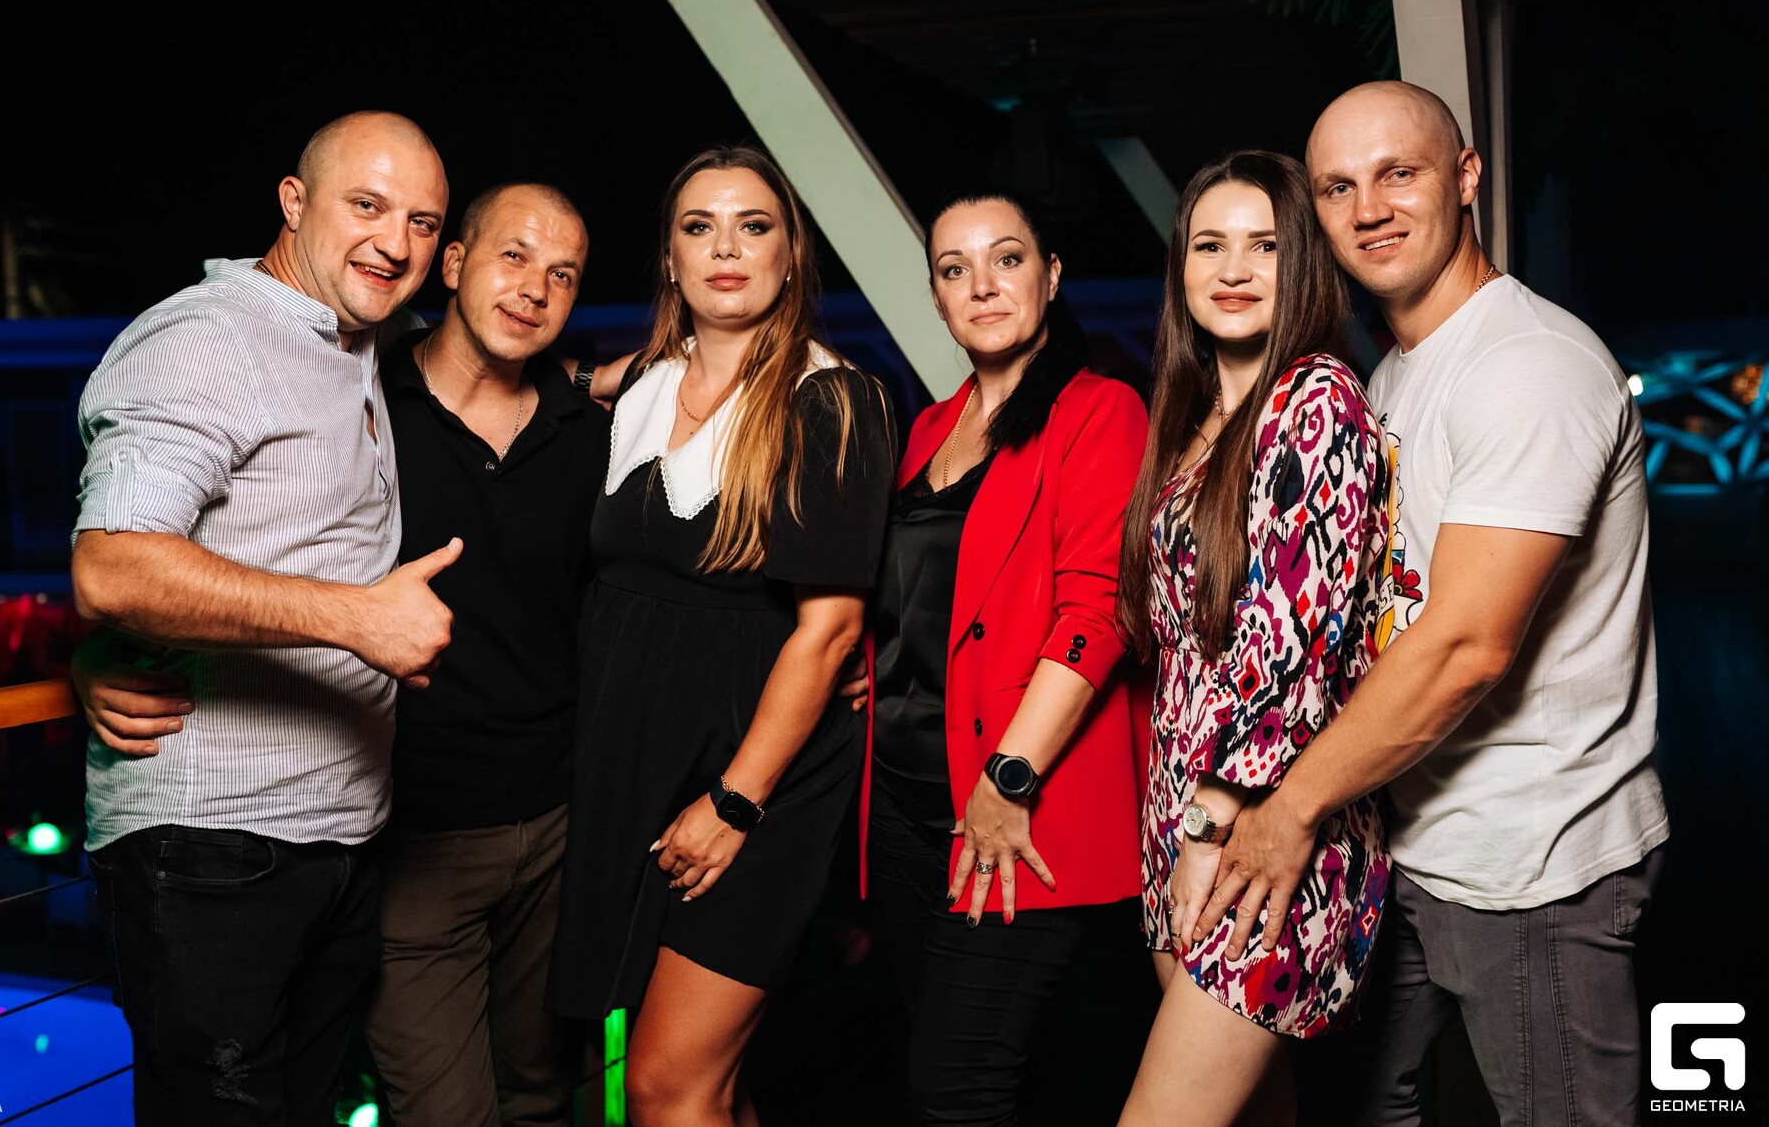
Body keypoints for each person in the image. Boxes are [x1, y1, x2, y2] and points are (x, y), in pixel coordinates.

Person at [1191, 82, 1669, 1126]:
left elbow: (1464, 647)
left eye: (1398, 174)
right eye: (1338, 188)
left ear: (1465, 178)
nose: (1369, 208)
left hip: (1532, 862)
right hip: (1405, 838)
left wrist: (1287, 810)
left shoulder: (1529, 365)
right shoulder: (1397, 375)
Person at [70, 110, 459, 1124]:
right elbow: (111, 564)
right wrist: (356, 619)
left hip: (338, 833)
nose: (394, 242)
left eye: (421, 222)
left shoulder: (353, 334)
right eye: (366, 205)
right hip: (215, 845)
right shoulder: (207, 341)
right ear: (294, 202)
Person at [545, 145, 896, 1127]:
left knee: (665, 1086)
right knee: (711, 1088)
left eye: (754, 226)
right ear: (670, 258)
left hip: (756, 779)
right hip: (637, 762)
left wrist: (736, 803)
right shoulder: (640, 388)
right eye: (699, 228)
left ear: (791, 256)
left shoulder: (830, 399)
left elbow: (830, 630)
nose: (726, 249)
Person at [859, 193, 1152, 1125]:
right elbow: (926, 594)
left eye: (1008, 259)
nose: (982, 285)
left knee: (957, 1087)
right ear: (937, 298)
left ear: (1051, 276)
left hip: (1010, 803)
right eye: (955, 269)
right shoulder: (928, 429)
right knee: (953, 1065)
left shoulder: (1099, 411)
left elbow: (1099, 611)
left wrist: (1008, 776)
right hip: (903, 804)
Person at [1113, 150, 1391, 1126]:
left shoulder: (1316, 400)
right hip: (1180, 818)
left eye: (1265, 246)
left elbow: (1292, 645)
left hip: (1260, 835)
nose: (1233, 268)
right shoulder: (1193, 418)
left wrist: (1209, 826)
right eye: (1210, 245)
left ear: (1303, 262)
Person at [359, 183, 606, 1127]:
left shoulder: (592, 436)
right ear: (454, 264)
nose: (535, 289)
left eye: (563, 275)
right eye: (515, 256)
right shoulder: (364, 406)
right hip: (414, 840)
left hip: (557, 833)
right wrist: (121, 656)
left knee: (541, 1100)